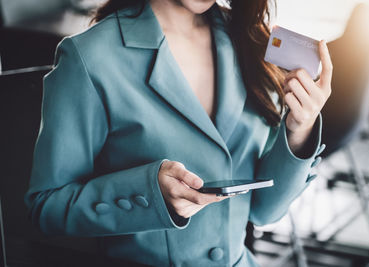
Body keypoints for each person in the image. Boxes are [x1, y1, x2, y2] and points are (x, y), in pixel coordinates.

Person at [24, 0, 332, 266]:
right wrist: (150, 194)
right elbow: (46, 208)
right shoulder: (90, 57)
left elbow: (264, 211)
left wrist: (298, 131)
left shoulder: (251, 40)